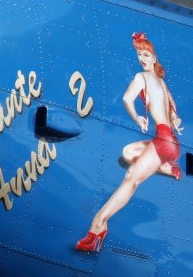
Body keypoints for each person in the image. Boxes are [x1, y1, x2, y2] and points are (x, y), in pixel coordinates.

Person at [77, 33, 183, 253]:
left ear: (154, 58)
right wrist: (174, 121)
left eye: (146, 55)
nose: (142, 59)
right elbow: (174, 113)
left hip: (162, 141)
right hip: (170, 143)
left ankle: (97, 225)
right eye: (139, 55)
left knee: (131, 179)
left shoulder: (141, 77)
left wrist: (137, 118)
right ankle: (167, 167)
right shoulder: (162, 83)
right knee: (128, 152)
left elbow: (127, 98)